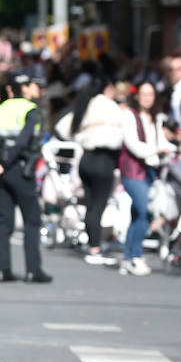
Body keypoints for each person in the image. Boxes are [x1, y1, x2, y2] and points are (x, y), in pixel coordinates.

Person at [0, 73, 52, 283]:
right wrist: (4, 165)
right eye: (34, 84)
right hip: (20, 169)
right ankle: (33, 270)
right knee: (32, 220)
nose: (37, 89)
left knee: (4, 221)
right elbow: (23, 142)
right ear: (26, 88)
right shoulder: (30, 110)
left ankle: (3, 270)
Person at [61, 78, 123, 266]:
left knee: (90, 205)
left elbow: (63, 128)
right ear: (107, 87)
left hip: (85, 159)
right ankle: (95, 248)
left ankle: (92, 245)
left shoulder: (85, 105)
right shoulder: (110, 106)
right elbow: (121, 135)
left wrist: (82, 137)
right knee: (98, 206)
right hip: (103, 160)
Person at [119, 80, 171, 276]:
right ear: (137, 95)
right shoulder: (129, 115)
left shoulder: (154, 117)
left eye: (151, 94)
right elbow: (133, 144)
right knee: (144, 211)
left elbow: (161, 140)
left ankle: (128, 258)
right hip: (132, 170)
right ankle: (135, 255)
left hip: (150, 170)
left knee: (137, 214)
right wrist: (157, 149)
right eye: (144, 94)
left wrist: (173, 147)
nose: (147, 98)